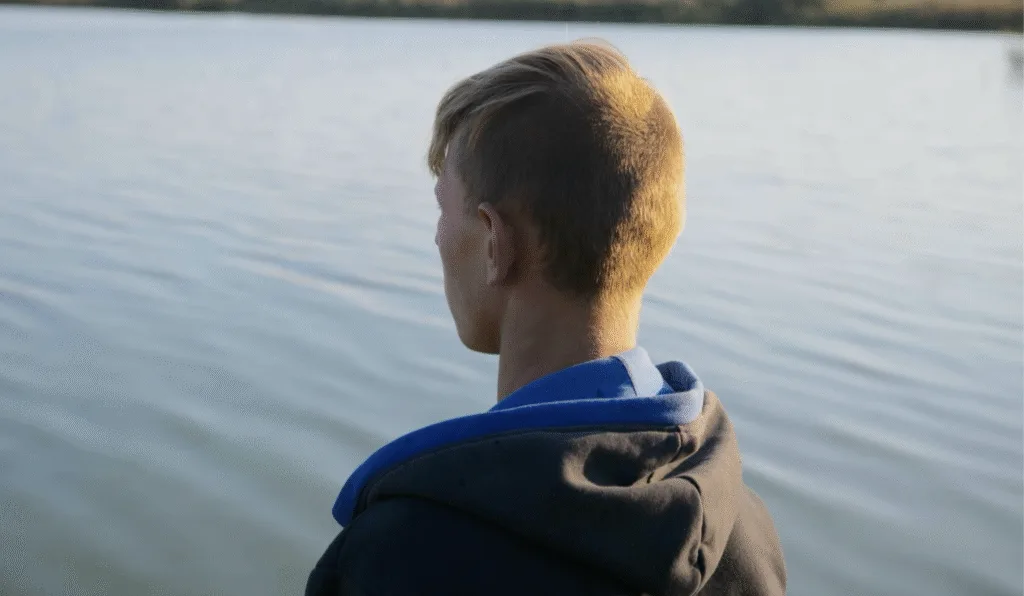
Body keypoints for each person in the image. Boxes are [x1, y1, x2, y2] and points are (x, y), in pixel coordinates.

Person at [306, 40, 786, 596]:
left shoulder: (403, 553)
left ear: (494, 242)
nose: (437, 237)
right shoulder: (745, 531)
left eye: (442, 208)